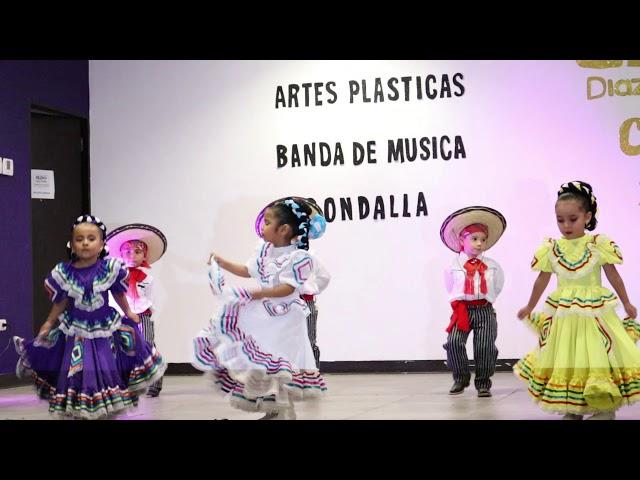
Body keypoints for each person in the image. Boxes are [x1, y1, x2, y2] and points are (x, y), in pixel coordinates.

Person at [13, 214, 166, 419]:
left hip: (103, 328)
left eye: (91, 238)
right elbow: (61, 302)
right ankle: (80, 406)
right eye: (79, 239)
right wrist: (49, 321)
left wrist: (129, 312)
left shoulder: (110, 270)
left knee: (104, 365)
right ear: (72, 244)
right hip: (75, 329)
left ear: (102, 244)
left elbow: (118, 294)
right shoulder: (64, 273)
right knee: (76, 368)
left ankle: (102, 407)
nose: (85, 243)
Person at [193, 197, 330, 419]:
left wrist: (258, 294)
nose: (262, 227)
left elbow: (287, 288)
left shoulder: (298, 258)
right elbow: (249, 270)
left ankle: (283, 410)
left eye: (267, 222)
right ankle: (276, 409)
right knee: (262, 362)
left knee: (278, 363)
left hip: (285, 318)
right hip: (265, 312)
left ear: (284, 229)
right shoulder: (265, 251)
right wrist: (223, 263)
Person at [515, 181, 640, 420]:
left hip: (594, 314)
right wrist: (530, 306)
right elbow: (542, 280)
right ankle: (574, 407)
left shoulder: (597, 245)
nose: (566, 225)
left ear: (587, 216)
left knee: (598, 356)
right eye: (560, 220)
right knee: (570, 358)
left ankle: (605, 406)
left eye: (572, 219)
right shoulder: (552, 248)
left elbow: (613, 275)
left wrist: (626, 302)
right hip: (565, 317)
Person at [440, 206, 506, 397]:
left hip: (484, 310)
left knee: (485, 346)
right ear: (462, 240)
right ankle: (460, 378)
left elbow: (498, 285)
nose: (479, 243)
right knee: (454, 342)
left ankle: (483, 382)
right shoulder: (453, 266)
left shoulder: (492, 266)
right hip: (462, 310)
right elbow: (450, 286)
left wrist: (486, 300)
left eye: (482, 240)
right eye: (474, 239)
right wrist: (462, 301)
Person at [106, 223, 168, 397]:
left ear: (144, 255)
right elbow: (113, 295)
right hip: (121, 316)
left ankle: (155, 383)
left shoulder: (147, 277)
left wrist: (144, 313)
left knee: (147, 345)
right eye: (128, 252)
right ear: (121, 254)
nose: (132, 255)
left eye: (137, 252)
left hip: (142, 316)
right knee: (120, 348)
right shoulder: (117, 275)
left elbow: (151, 297)